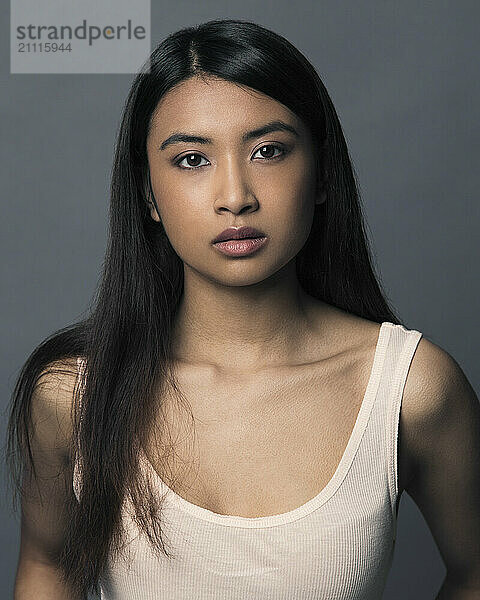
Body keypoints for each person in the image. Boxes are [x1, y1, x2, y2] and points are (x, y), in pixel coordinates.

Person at [7, 18, 480, 600]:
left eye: (268, 151)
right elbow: (46, 566)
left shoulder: (410, 388)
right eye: (191, 160)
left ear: (322, 174)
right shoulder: (72, 394)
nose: (235, 196)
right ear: (148, 195)